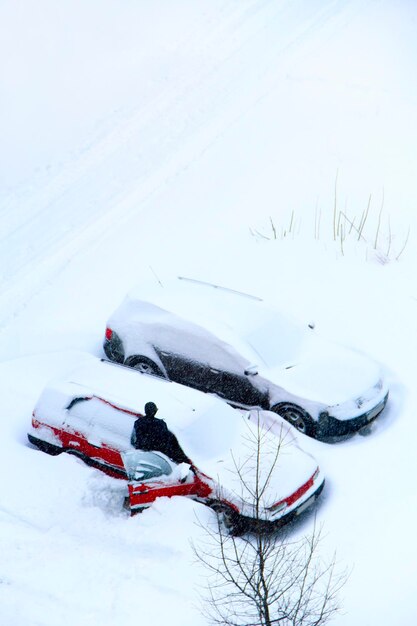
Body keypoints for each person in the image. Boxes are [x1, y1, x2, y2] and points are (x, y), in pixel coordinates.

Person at [131, 402, 193, 466]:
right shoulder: (161, 424)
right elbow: (165, 441)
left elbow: (135, 440)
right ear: (155, 411)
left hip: (143, 454)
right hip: (159, 455)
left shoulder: (138, 422)